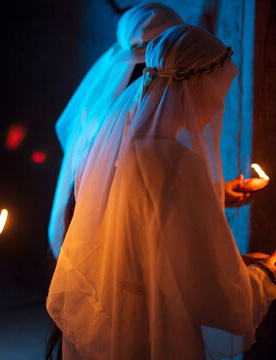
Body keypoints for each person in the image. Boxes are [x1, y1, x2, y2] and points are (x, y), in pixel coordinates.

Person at [47, 24, 276, 359]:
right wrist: (267, 273)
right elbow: (213, 294)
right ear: (195, 86)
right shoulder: (179, 165)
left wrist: (220, 204)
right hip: (152, 325)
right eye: (218, 92)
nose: (217, 107)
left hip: (109, 310)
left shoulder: (118, 143)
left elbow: (143, 231)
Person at [48, 3, 184, 258]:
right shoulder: (141, 111)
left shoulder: (102, 96)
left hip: (82, 235)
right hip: (117, 246)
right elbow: (147, 193)